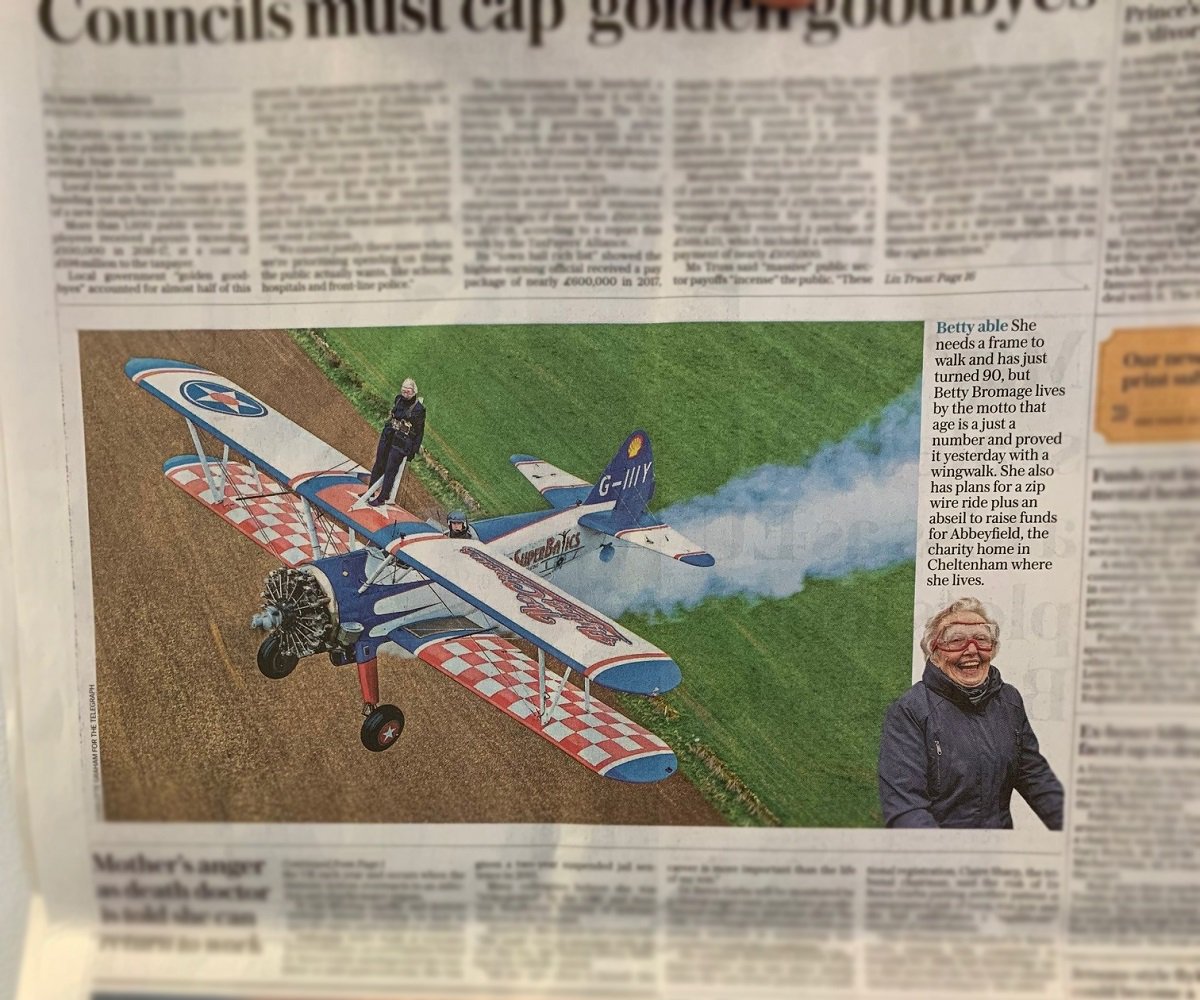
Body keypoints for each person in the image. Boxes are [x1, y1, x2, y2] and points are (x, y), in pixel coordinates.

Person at [878, 597, 1063, 829]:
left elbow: (1037, 779)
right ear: (933, 653)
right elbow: (906, 809)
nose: (972, 650)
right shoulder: (909, 711)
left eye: (982, 640)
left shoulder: (1009, 701)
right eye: (956, 641)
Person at [367, 378, 425, 506]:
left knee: (390, 469)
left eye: (408, 392)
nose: (405, 394)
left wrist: (413, 451)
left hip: (402, 441)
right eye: (403, 391)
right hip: (389, 435)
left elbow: (420, 431)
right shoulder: (398, 399)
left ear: (414, 392)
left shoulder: (419, 409)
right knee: (379, 463)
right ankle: (370, 492)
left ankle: (382, 497)